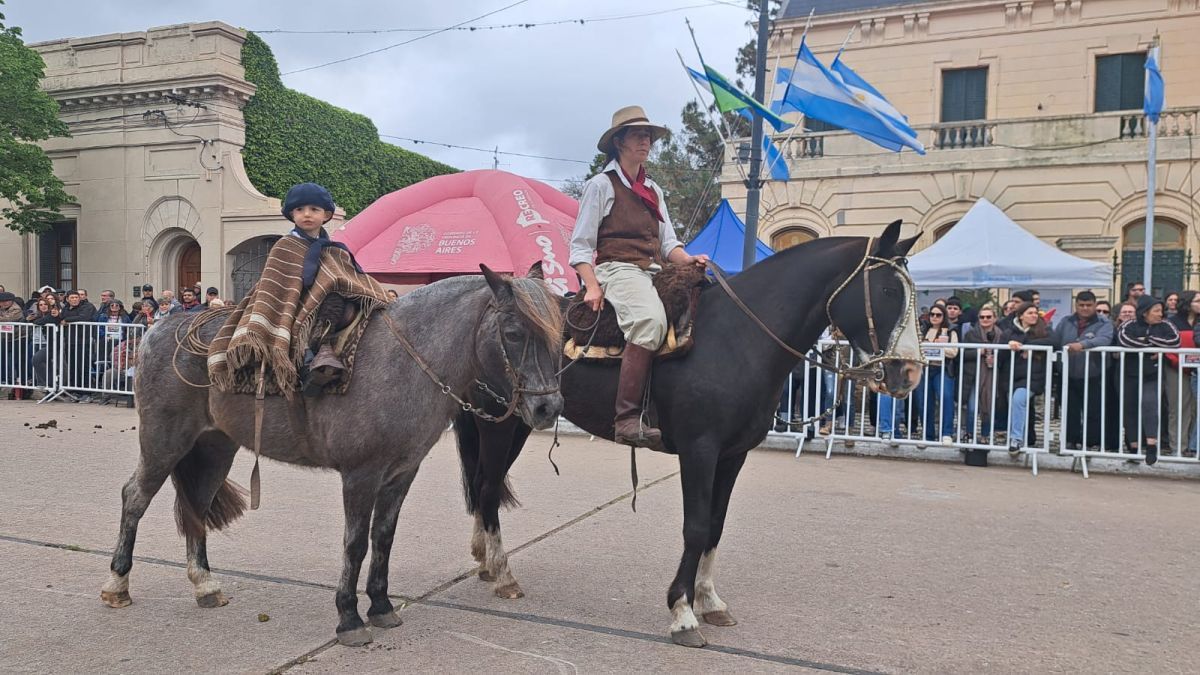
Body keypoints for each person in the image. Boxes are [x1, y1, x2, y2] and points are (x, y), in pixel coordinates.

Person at [569, 106, 709, 451]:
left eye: (648, 136)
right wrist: (592, 286)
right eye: (637, 135)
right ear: (619, 142)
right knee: (649, 321)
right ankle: (627, 418)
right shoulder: (600, 185)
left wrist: (690, 260)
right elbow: (580, 246)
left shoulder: (653, 189)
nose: (645, 141)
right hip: (616, 269)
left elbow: (668, 243)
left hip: (652, 270)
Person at [1117, 295, 1180, 465]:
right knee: (1130, 408)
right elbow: (1124, 340)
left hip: (1152, 374)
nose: (1160, 314)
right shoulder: (1129, 324)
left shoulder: (1166, 325)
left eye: (1161, 311)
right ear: (1145, 312)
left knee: (1150, 404)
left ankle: (1151, 444)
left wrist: (1149, 341)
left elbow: (1175, 341)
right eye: (1156, 311)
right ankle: (1133, 447)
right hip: (1130, 373)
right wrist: (1153, 347)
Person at [1052, 291, 1113, 450]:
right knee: (1069, 409)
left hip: (1094, 373)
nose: (1085, 308)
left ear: (1095, 305)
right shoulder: (1066, 321)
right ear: (1076, 305)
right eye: (1081, 305)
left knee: (1093, 410)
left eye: (1088, 305)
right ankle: (1070, 441)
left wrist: (1083, 345)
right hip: (1067, 372)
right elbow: (1055, 340)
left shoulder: (1104, 322)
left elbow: (1105, 339)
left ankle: (1091, 443)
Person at [1002, 302, 1054, 455]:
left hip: (1033, 377)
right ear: (1021, 316)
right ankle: (1022, 438)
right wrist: (1009, 345)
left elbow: (1054, 341)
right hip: (1012, 376)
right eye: (1030, 313)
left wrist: (1026, 345)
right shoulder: (1009, 332)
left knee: (1018, 400)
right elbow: (1001, 353)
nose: (1034, 316)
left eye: (1035, 313)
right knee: (1015, 406)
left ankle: (1016, 439)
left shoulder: (1044, 329)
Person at [961, 303, 1007, 444]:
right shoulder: (971, 334)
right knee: (972, 407)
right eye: (982, 317)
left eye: (988, 317)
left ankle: (985, 435)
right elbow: (962, 355)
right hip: (973, 376)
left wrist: (995, 359)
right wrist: (978, 352)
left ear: (994, 318)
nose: (985, 319)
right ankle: (969, 433)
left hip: (993, 377)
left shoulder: (1002, 335)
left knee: (988, 407)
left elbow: (1006, 358)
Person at [1165, 291, 1199, 457]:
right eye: (1197, 301)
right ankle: (1178, 447)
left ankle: (1193, 446)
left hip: (1196, 369)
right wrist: (1176, 362)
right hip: (1176, 368)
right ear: (1187, 303)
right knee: (1179, 407)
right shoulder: (1172, 322)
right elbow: (1166, 345)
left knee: (1195, 408)